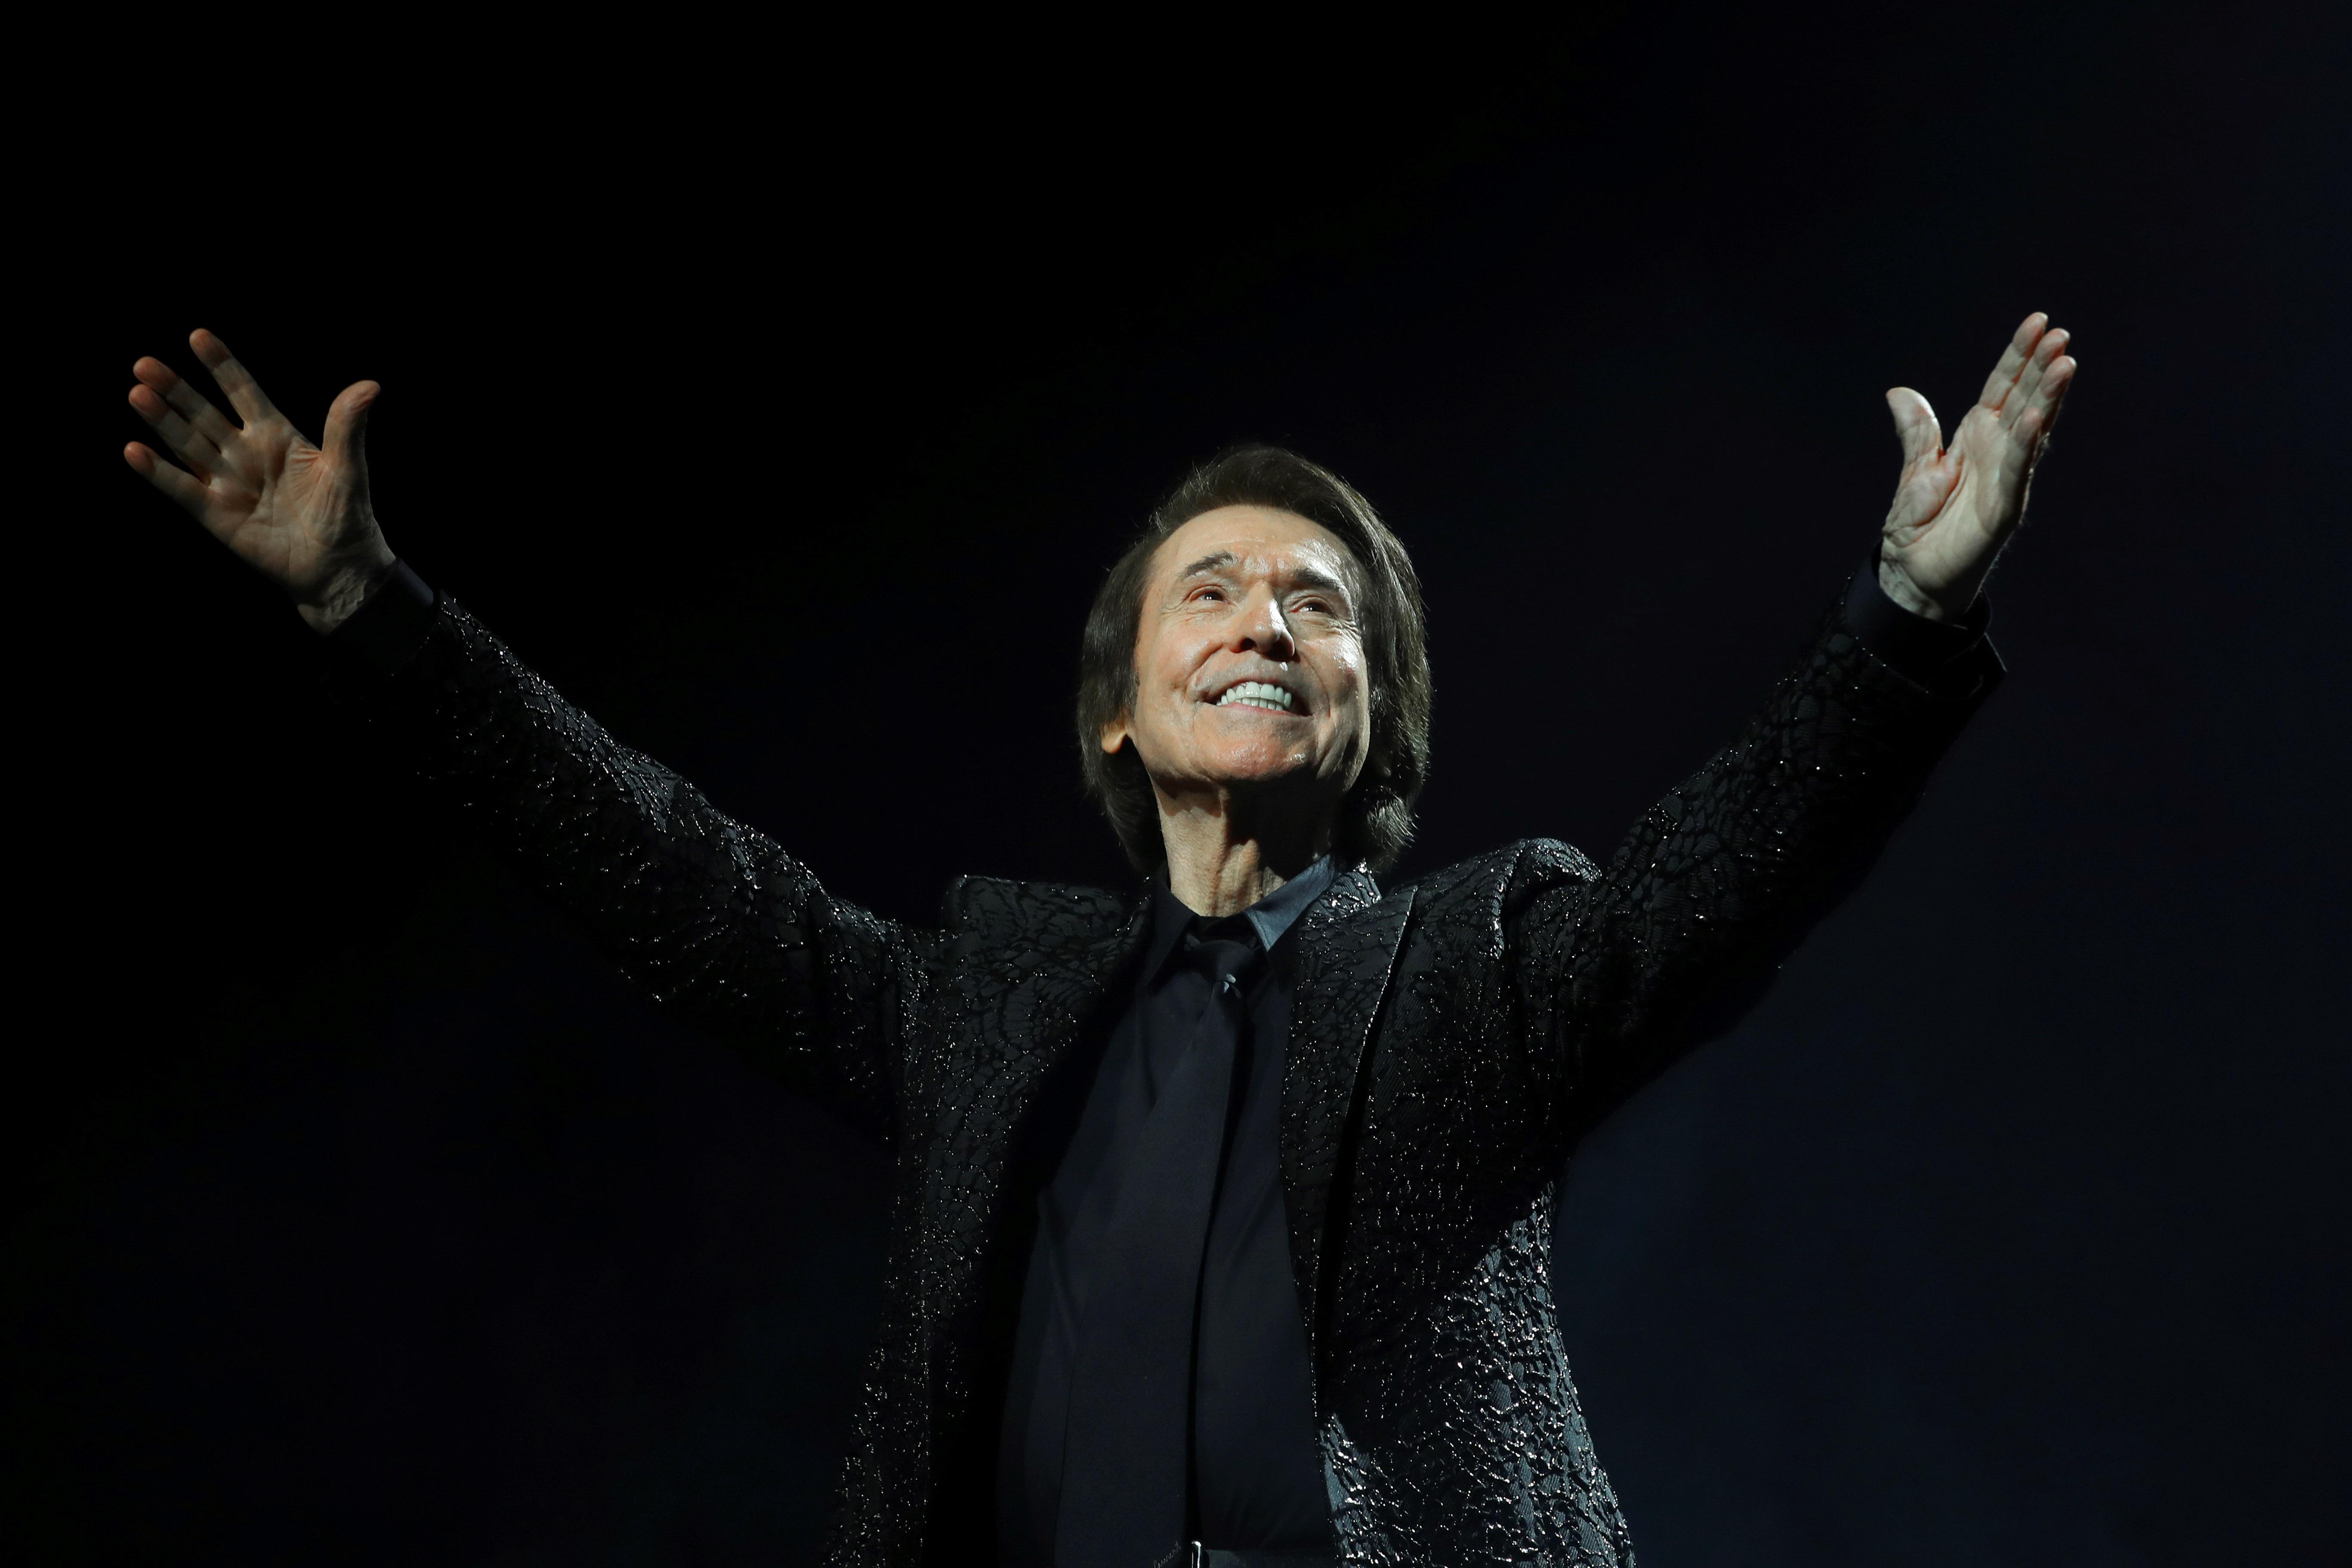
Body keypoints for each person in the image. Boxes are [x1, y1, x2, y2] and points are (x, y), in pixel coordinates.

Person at [122, 314, 2075, 1568]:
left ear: (1373, 719)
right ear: (1124, 717)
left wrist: (1904, 621)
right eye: (1209, 592)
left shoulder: (1483, 974)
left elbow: (1720, 881)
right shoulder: (985, 1002)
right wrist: (374, 612)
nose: (1263, 621)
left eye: (1319, 606)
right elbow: (668, 877)